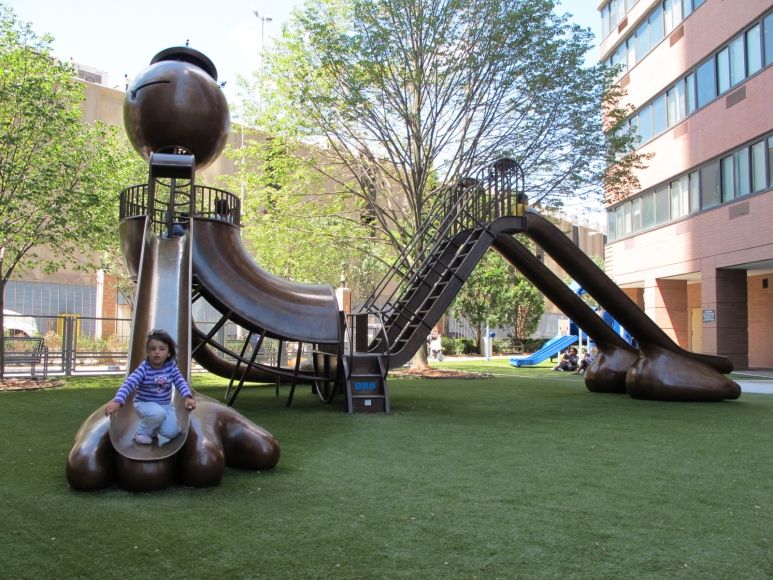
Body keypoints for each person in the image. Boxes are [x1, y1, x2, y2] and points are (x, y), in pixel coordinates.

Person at [105, 329, 196, 445]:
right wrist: (117, 401)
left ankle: (152, 429)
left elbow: (180, 382)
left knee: (172, 432)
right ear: (148, 352)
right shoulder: (144, 368)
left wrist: (187, 397)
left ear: (169, 353)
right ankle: (141, 432)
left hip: (165, 406)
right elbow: (129, 383)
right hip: (143, 403)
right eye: (153, 349)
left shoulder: (171, 367)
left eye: (162, 349)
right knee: (157, 413)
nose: (157, 352)